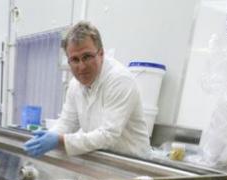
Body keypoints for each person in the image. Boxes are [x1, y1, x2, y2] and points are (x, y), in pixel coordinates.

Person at [23, 21, 150, 159]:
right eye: (75, 60)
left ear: (101, 54)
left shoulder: (120, 81)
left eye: (87, 57)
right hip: (103, 160)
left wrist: (60, 140)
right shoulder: (75, 85)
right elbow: (68, 122)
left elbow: (108, 135)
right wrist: (50, 135)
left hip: (133, 166)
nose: (81, 67)